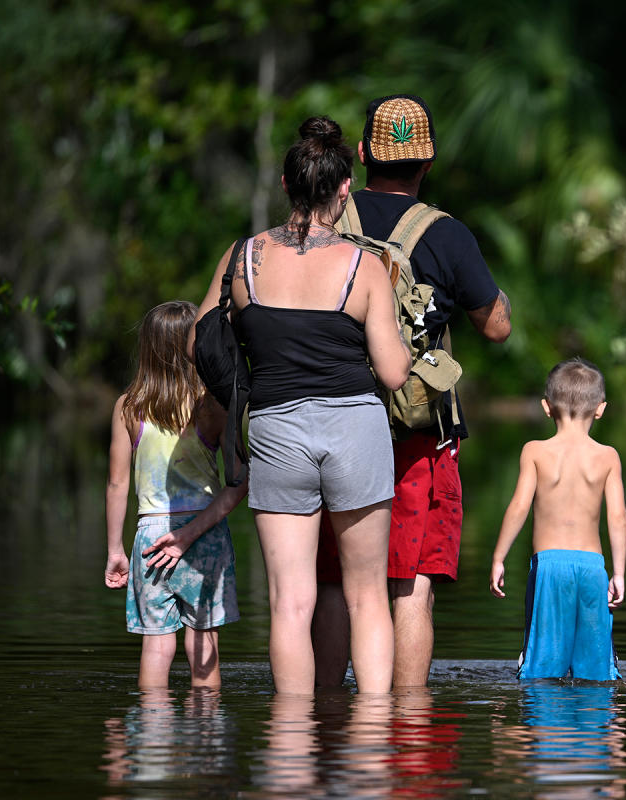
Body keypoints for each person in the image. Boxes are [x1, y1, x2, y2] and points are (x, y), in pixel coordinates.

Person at [192, 116, 410, 694]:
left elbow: (198, 340)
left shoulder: (243, 259)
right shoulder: (364, 266)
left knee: (290, 602)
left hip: (275, 428)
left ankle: (290, 745)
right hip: (354, 431)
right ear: (345, 190)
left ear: (286, 184)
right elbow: (391, 372)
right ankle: (369, 738)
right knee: (367, 597)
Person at [312, 94, 512, 688]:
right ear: (428, 163)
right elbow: (496, 327)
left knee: (329, 580)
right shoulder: (446, 235)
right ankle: (406, 726)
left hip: (332, 422)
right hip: (415, 434)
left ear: (366, 155)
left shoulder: (323, 225)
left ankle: (319, 721)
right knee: (411, 586)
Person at [104, 300, 246, 690]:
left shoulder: (128, 407)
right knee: (203, 644)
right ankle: (206, 738)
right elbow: (239, 480)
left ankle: (153, 737)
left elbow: (117, 484)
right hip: (205, 533)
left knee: (156, 647)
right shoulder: (212, 405)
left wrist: (115, 549)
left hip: (151, 536)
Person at [488, 358, 626, 681]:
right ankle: (601, 730)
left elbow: (519, 507)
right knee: (597, 674)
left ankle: (546, 728)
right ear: (601, 409)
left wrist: (498, 557)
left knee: (541, 668)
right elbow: (618, 518)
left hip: (549, 567)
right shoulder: (608, 457)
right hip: (593, 567)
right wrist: (618, 573)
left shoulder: (535, 452)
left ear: (546, 407)